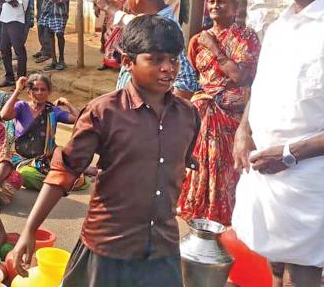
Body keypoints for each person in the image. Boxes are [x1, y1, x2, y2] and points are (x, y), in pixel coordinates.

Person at [12, 15, 200, 286]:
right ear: (127, 62)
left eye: (173, 59)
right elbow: (64, 171)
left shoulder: (188, 115)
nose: (168, 68)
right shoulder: (104, 112)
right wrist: (30, 229)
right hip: (108, 247)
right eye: (156, 59)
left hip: (162, 249)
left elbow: (183, 159)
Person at [231, 0, 324, 286]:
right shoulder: (280, 24)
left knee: (303, 271)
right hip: (264, 172)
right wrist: (243, 131)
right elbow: (261, 86)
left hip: (309, 178)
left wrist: (290, 154)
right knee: (265, 261)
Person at [177, 0, 260, 226]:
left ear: (234, 7)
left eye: (221, 1)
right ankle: (201, 212)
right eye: (211, 1)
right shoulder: (197, 39)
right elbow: (196, 78)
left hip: (231, 118)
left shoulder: (246, 38)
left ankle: (228, 217)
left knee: (227, 170)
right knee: (200, 163)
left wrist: (215, 47)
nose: (214, 5)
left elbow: (240, 76)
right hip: (203, 114)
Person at [95, 0, 201, 99]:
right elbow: (127, 20)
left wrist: (155, 112)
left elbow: (186, 84)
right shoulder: (148, 21)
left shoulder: (164, 30)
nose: (126, 2)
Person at [0, 73, 79, 190]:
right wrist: (17, 90)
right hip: (20, 158)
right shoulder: (22, 107)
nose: (39, 93)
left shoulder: (53, 111)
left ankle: (56, 182)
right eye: (35, 89)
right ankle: (58, 183)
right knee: (24, 174)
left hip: (44, 160)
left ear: (48, 92)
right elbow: (4, 115)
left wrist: (66, 102)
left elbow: (78, 119)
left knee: (70, 168)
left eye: (43, 89)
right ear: (29, 93)